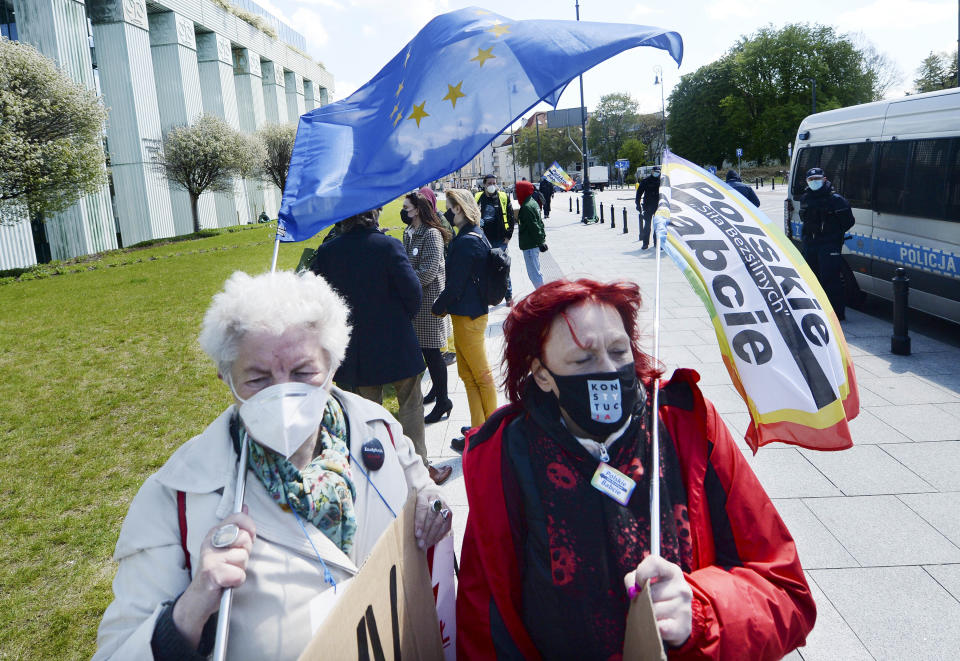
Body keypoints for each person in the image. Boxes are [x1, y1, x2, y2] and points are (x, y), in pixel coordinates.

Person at [93, 270, 452, 661]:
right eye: (258, 379)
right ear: (226, 377)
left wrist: (432, 503)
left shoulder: (376, 427)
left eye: (302, 373)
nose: (283, 394)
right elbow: (117, 651)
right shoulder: (175, 497)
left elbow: (419, 487)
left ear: (332, 366)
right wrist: (191, 609)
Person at [456, 279, 816, 659]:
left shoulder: (688, 427)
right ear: (542, 374)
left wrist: (701, 612)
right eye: (583, 360)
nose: (608, 370)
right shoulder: (504, 456)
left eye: (618, 350)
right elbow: (483, 626)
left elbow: (785, 591)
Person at [310, 209, 450, 485]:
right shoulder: (388, 246)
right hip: (395, 339)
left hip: (357, 347)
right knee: (410, 405)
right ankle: (418, 468)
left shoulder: (328, 251)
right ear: (373, 216)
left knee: (366, 413)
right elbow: (413, 292)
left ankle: (375, 472)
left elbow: (317, 297)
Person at [433, 189, 497, 453]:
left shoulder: (465, 242)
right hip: (469, 313)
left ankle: (493, 433)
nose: (447, 212)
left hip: (468, 315)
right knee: (468, 375)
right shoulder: (473, 235)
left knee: (480, 375)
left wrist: (437, 308)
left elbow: (454, 286)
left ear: (459, 208)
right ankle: (478, 429)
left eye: (449, 207)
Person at [400, 192, 455, 430]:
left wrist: (402, 282)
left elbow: (427, 272)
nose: (404, 211)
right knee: (425, 350)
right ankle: (435, 390)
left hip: (429, 304)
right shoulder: (408, 232)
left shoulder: (431, 234)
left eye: (407, 208)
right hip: (415, 303)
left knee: (433, 353)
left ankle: (443, 400)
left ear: (419, 209)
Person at [799, 167, 855, 321]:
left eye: (816, 179)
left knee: (830, 280)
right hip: (811, 244)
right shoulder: (806, 198)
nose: (813, 182)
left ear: (824, 179)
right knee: (813, 280)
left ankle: (836, 315)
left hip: (829, 245)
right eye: (810, 180)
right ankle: (818, 312)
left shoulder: (836, 200)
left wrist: (833, 234)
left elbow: (848, 221)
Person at [475, 174, 516, 306]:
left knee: (503, 267)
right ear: (484, 185)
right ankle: (489, 296)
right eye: (489, 183)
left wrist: (508, 236)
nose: (492, 185)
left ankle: (508, 296)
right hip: (484, 239)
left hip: (500, 240)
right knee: (485, 269)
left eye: (494, 183)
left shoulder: (503, 197)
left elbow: (510, 217)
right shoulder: (478, 197)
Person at [514, 180, 547, 290]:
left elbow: (534, 226)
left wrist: (540, 241)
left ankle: (541, 295)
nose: (515, 192)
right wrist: (542, 239)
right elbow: (539, 223)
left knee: (534, 273)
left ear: (522, 191)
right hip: (532, 243)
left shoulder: (527, 206)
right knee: (535, 271)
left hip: (530, 244)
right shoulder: (532, 202)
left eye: (517, 190)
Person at [636, 166, 661, 249]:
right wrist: (638, 204)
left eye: (658, 172)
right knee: (647, 226)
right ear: (652, 172)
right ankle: (645, 243)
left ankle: (656, 242)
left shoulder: (662, 181)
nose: (657, 173)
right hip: (648, 206)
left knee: (657, 226)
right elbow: (639, 193)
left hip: (658, 206)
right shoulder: (646, 181)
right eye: (655, 172)